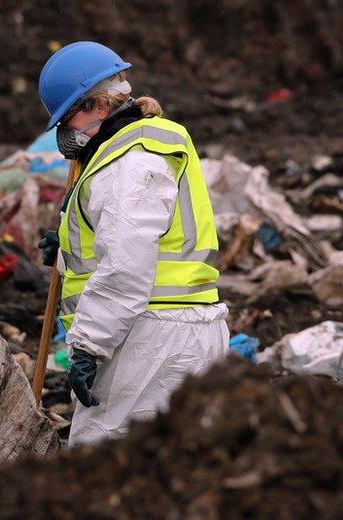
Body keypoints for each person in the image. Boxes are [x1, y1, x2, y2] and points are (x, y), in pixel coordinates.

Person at [36, 42, 229, 447]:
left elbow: (126, 264)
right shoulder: (136, 146)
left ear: (99, 107)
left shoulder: (131, 158)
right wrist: (68, 250)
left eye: (68, 117)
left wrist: (89, 344)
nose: (64, 132)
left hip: (149, 341)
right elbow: (127, 242)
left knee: (105, 474)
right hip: (169, 332)